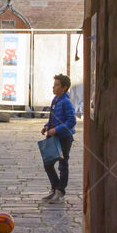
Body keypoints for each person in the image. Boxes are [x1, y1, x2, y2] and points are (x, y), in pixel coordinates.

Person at [41, 74, 76, 203]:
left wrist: (57, 129)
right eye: (54, 84)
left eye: (56, 85)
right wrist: (46, 126)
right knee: (48, 164)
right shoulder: (55, 99)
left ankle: (60, 192)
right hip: (53, 137)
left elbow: (71, 121)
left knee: (62, 164)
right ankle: (55, 188)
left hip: (64, 138)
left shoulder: (66, 102)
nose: (53, 87)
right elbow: (53, 118)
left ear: (64, 88)